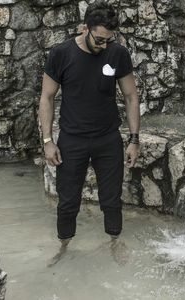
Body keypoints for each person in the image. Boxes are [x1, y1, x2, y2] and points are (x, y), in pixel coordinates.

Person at [38, 1, 140, 260]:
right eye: (100, 39)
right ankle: (63, 248)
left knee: (112, 199)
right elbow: (47, 97)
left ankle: (114, 244)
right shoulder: (61, 54)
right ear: (85, 28)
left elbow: (130, 96)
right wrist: (48, 141)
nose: (104, 45)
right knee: (68, 201)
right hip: (72, 140)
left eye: (109, 40)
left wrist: (134, 140)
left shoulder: (117, 54)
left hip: (108, 139)